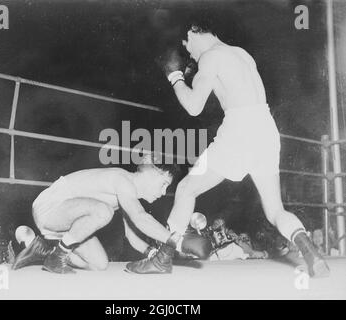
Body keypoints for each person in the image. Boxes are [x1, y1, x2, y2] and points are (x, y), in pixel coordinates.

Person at [126, 21, 330, 277]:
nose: (190, 54)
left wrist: (175, 77)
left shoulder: (211, 57)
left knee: (187, 188)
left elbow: (193, 107)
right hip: (267, 129)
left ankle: (162, 258)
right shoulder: (242, 54)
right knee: (275, 210)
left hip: (239, 129)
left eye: (187, 47)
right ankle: (311, 252)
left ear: (192, 32)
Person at [12, 154, 212, 273]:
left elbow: (132, 237)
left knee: (98, 264)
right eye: (163, 185)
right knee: (103, 211)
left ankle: (44, 250)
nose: (162, 193)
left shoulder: (127, 196)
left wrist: (155, 254)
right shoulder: (121, 179)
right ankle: (58, 256)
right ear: (151, 172)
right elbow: (140, 217)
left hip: (67, 223)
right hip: (50, 207)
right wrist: (178, 241)